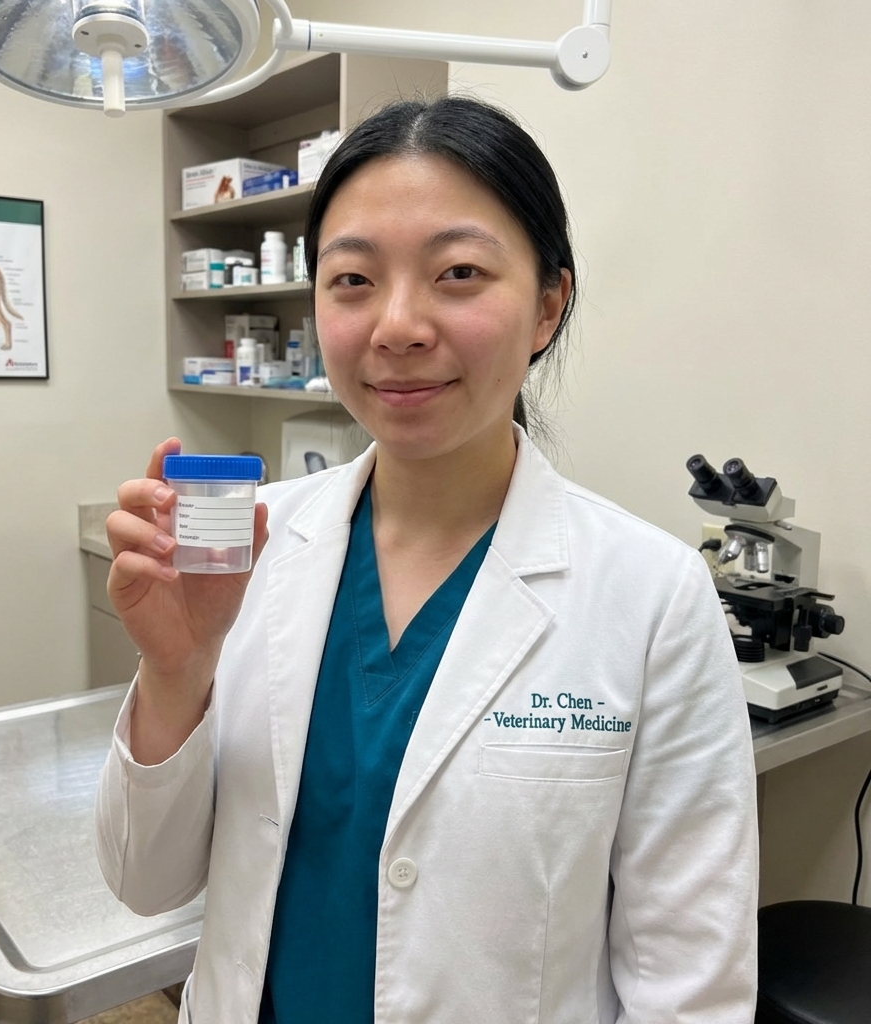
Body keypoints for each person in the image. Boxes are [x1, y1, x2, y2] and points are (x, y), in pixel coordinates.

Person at [96, 97, 759, 1024]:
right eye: (353, 280)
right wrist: (177, 670)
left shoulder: (651, 595)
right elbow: (143, 883)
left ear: (547, 307)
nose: (396, 326)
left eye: (458, 272)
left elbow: (692, 984)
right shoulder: (244, 550)